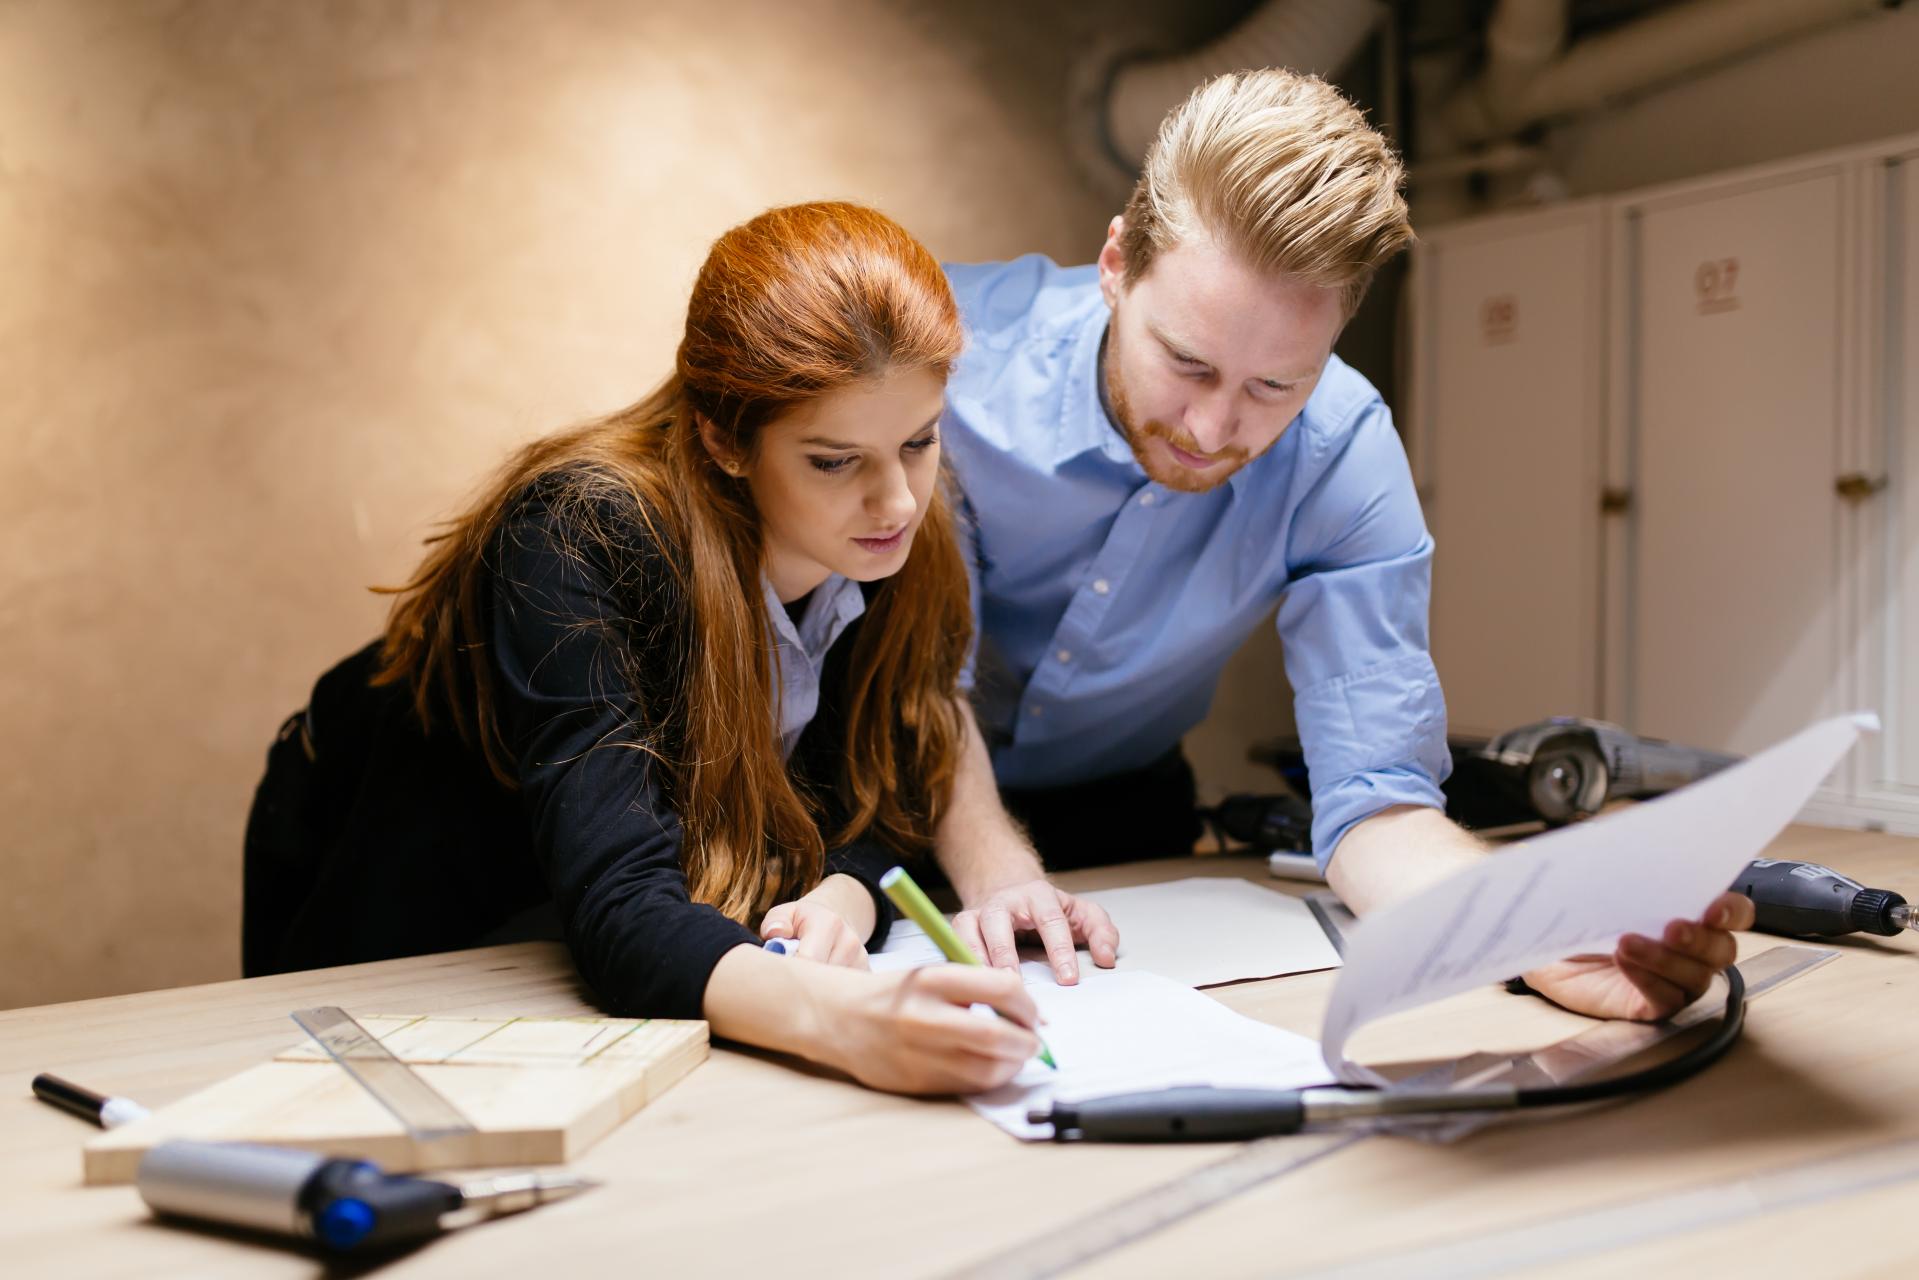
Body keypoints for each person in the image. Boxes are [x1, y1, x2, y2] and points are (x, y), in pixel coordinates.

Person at [933, 69, 1754, 1023]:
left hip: (1125, 806)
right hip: (896, 795)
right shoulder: (950, 369)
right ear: (1116, 264)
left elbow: (1377, 798)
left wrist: (1525, 931)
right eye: (1186, 362)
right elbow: (920, 689)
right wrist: (994, 875)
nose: (1210, 425)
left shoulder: (1343, 452)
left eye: (1274, 386)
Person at [242, 201, 1101, 1096]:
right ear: (723, 439)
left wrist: (845, 893)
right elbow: (618, 910)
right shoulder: (574, 536)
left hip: (595, 942)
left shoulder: (887, 535)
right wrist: (844, 1021)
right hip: (412, 875)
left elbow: (883, 779)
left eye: (919, 442)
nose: (896, 503)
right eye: (833, 461)